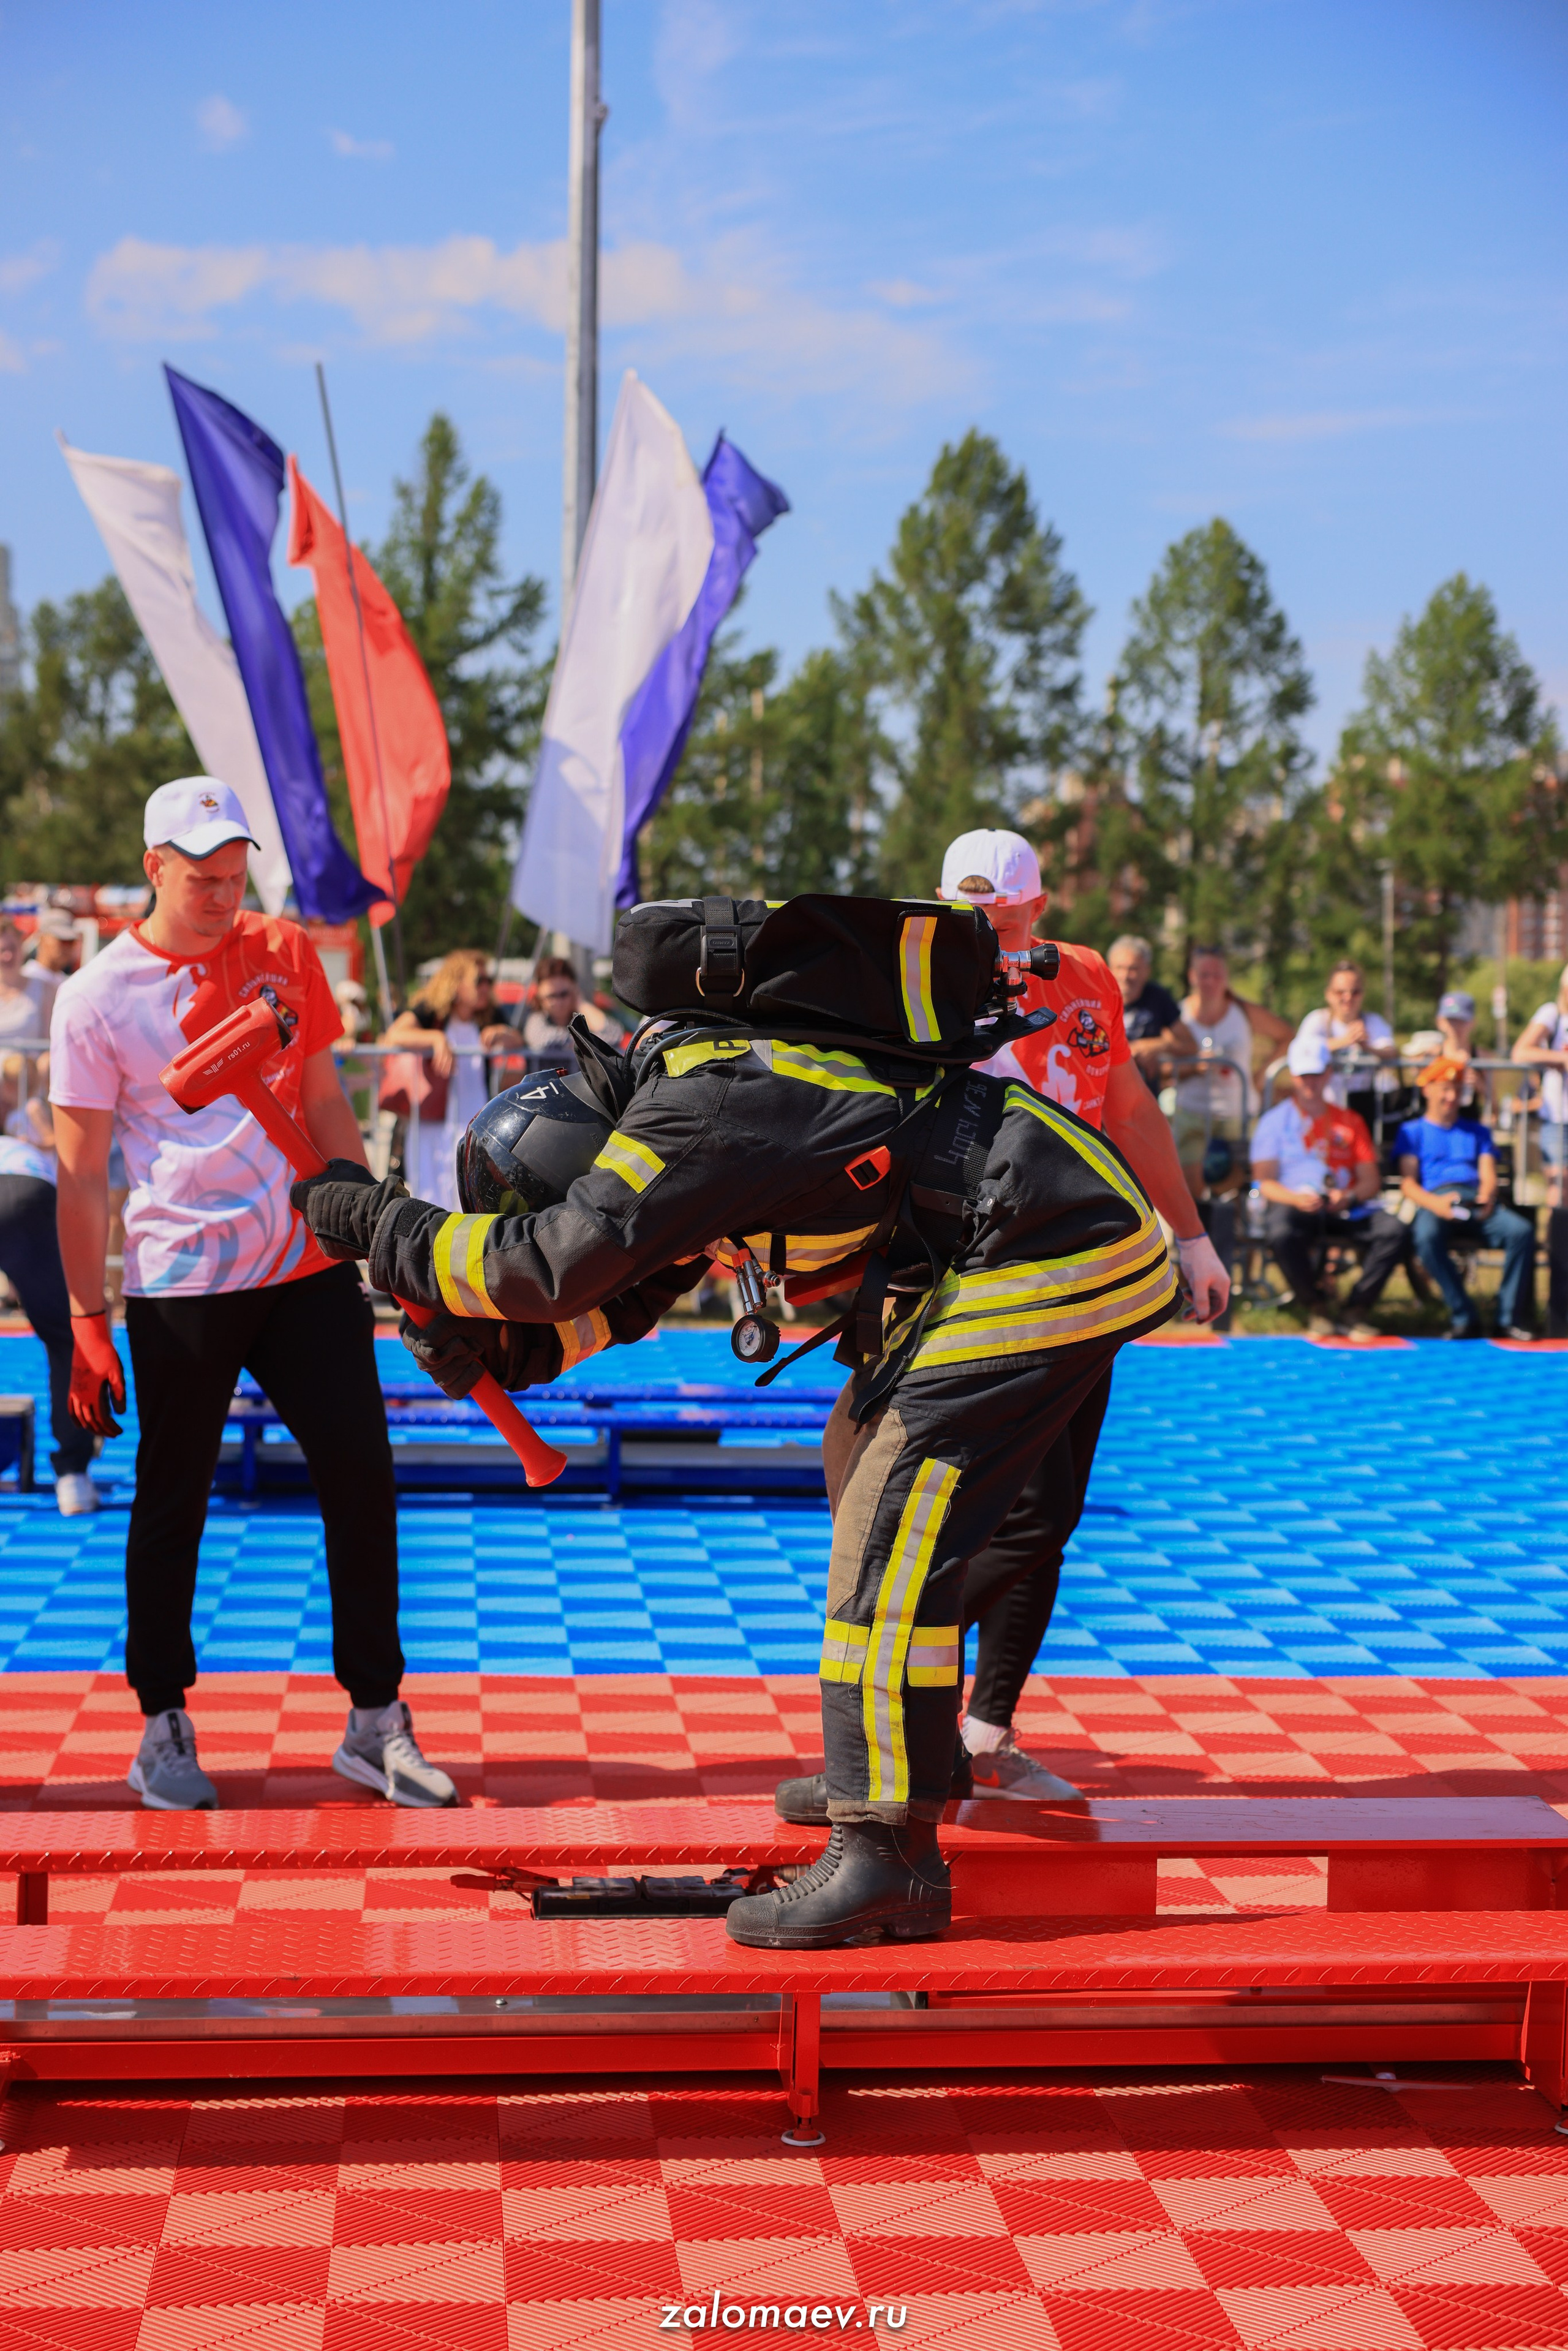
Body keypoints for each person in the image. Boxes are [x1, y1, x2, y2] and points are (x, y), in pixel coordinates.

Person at [291, 897, 1185, 1949]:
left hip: (1060, 1238)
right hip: (1021, 1232)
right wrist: (485, 1344)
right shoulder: (690, 1110)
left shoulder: (699, 1108)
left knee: (887, 1529)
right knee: (865, 1467)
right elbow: (601, 1301)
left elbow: (548, 1264)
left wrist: (387, 1229)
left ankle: (887, 1856)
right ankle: (910, 1760)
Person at [50, 777, 454, 1812]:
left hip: (304, 1260)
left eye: (235, 871)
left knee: (362, 1476)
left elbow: (323, 1095)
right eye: (202, 877)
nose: (225, 892)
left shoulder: (282, 951)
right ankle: (161, 1719)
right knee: (172, 1494)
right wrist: (86, 1323)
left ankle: (375, 1718)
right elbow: (84, 1170)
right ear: (154, 867)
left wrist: (368, 1229)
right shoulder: (98, 996)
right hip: (181, 1274)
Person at [927, 835, 1227, 1802]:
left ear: (1039, 905)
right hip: (969, 1276)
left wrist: (1191, 1236)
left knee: (1050, 1514)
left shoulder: (1087, 978)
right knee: (1013, 1511)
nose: (986, 934)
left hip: (1085, 1266)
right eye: (967, 912)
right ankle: (887, 1668)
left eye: (1004, 918)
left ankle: (985, 1726)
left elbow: (1130, 1107)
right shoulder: (914, 977)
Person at [1250, 1033, 1409, 1338]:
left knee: (1394, 1231)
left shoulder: (1350, 1120)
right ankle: (1316, 1307)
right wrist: (1296, 1199)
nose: (1311, 1082)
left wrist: (1348, 1197)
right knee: (1280, 1231)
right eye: (1304, 1074)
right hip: (1296, 1208)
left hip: (1344, 1208)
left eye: (1317, 1073)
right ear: (1294, 1075)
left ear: (1328, 1074)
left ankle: (1355, 1310)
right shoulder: (1275, 1121)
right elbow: (1265, 1182)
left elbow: (1371, 1180)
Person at [0, 1051, 98, 1514]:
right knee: (64, 1337)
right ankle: (73, 1476)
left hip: (26, 1186)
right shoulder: (38, 1127)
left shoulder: (28, 1120)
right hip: (27, 1192)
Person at [1395, 1057, 1534, 1342]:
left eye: (1456, 1090)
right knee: (1425, 1237)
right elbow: (1408, 1183)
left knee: (1522, 1232)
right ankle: (1464, 1315)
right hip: (1436, 1199)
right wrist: (1436, 1205)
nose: (1451, 1097)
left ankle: (1507, 1319)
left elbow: (1488, 1173)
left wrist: (1487, 1197)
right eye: (1445, 1089)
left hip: (1475, 1201)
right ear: (1427, 1089)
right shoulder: (1412, 1132)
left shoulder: (1477, 1131)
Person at [382, 950, 522, 1212]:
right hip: (432, 1121)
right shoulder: (432, 1012)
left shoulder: (488, 1015)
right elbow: (395, 1035)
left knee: (468, 1193)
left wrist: (501, 1033)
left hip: (477, 1121)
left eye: (488, 980)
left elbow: (519, 1038)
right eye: (478, 980)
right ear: (457, 983)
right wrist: (435, 1039)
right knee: (432, 1191)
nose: (486, 987)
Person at [1174, 946, 1293, 1203]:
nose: (1211, 982)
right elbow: (1163, 1067)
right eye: (1204, 975)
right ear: (1192, 976)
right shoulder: (1178, 1015)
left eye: (1217, 975)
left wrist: (1260, 1076)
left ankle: (1231, 1239)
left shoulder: (1243, 1012)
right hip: (1192, 1115)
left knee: (1234, 1190)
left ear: (1226, 978)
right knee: (1193, 1195)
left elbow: (1286, 1036)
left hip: (1237, 1116)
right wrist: (1195, 1067)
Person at [1513, 966, 1568, 1333]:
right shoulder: (1553, 1015)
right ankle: (1558, 1316)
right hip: (1560, 1126)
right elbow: (1522, 1051)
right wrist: (1562, 1060)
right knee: (1560, 1202)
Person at [1293, 962, 1398, 1122]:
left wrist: (1367, 1048)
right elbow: (1301, 1051)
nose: (1348, 998)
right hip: (1324, 1110)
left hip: (1363, 1110)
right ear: (1328, 994)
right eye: (1340, 992)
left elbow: (1392, 1052)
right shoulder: (1317, 1020)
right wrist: (1344, 1041)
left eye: (1355, 992)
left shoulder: (1373, 1021)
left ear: (1363, 994)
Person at [1106, 934, 1194, 1090]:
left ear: (1147, 971)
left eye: (1133, 969)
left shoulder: (1158, 998)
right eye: (1120, 968)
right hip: (1104, 1094)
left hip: (1143, 1095)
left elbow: (1190, 1045)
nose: (1125, 976)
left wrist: (1155, 1047)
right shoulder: (1097, 997)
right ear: (1109, 969)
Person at [522, 956, 627, 1060]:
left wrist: (581, 1003)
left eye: (564, 994)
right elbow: (545, 1041)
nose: (558, 1002)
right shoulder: (536, 1020)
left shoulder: (582, 1020)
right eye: (551, 996)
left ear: (574, 991)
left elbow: (615, 1035)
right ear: (540, 996)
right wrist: (588, 1043)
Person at [0, 916, 60, 1059]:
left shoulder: (45, 989)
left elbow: (49, 1046)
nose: (8, 956)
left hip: (29, 1076)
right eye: (2, 950)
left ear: (22, 948)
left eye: (12, 949)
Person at [28, 909, 85, 979]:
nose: (66, 947)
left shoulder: (66, 982)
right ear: (42, 938)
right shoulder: (25, 979)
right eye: (62, 940)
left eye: (71, 942)